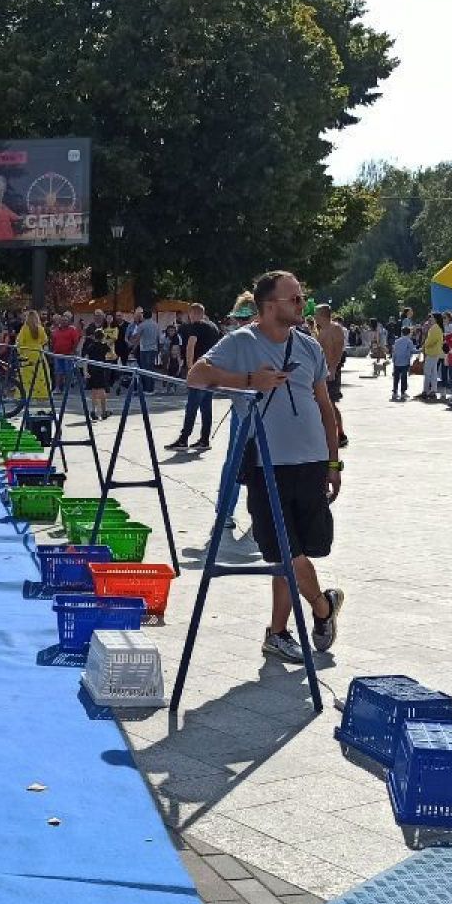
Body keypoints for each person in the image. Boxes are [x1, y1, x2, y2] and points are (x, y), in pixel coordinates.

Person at [186, 270, 344, 665]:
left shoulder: (308, 346)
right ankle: (321, 607)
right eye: (295, 298)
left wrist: (333, 461)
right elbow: (196, 376)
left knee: (294, 551)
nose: (303, 304)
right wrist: (247, 380)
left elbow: (325, 407)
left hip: (311, 463)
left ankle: (278, 632)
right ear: (270, 305)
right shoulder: (241, 342)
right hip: (266, 464)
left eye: (303, 297)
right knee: (284, 550)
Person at [166, 303, 222, 450]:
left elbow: (191, 345)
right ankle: (204, 439)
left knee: (191, 406)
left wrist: (190, 368)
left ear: (192, 313)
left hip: (199, 370)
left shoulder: (196, 326)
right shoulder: (214, 327)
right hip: (212, 369)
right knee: (206, 407)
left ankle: (183, 439)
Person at [312, 304, 349, 447]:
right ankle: (327, 433)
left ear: (322, 314)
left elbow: (339, 349)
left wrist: (333, 368)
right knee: (322, 402)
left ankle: (341, 433)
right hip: (322, 372)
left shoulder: (335, 328)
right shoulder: (321, 330)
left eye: (316, 314)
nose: (314, 317)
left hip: (331, 371)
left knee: (331, 402)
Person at [15, 310, 51, 400]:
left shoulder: (24, 329)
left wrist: (19, 351)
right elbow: (45, 340)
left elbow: (19, 342)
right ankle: (40, 394)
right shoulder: (40, 328)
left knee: (26, 375)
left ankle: (25, 394)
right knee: (39, 374)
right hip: (38, 353)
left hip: (27, 353)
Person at [82, 324, 114, 420]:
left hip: (92, 369)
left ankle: (93, 410)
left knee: (94, 391)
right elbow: (113, 356)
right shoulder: (104, 346)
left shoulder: (90, 346)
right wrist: (110, 347)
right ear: (103, 337)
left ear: (94, 337)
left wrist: (85, 371)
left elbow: (86, 358)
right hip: (101, 369)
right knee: (102, 391)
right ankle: (104, 411)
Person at [128, 308, 162, 392]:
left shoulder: (142, 325)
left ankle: (147, 388)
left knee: (145, 369)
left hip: (144, 349)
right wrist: (159, 349)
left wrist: (133, 347)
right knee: (151, 369)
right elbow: (159, 338)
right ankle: (151, 388)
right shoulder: (156, 325)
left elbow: (137, 337)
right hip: (154, 349)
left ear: (144, 316)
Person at [389, 324, 416, 401]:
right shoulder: (409, 341)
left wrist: (393, 360)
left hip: (397, 362)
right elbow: (413, 351)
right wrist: (421, 350)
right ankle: (403, 392)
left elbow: (394, 351)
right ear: (409, 333)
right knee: (404, 378)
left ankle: (395, 392)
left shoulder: (397, 341)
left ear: (402, 333)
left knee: (396, 378)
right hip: (405, 362)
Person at [421, 314, 445, 400]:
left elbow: (430, 341)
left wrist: (424, 346)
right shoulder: (438, 328)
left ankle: (425, 391)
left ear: (436, 319)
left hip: (431, 352)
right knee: (434, 372)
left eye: (432, 317)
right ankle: (433, 391)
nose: (430, 319)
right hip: (436, 352)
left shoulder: (434, 328)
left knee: (427, 372)